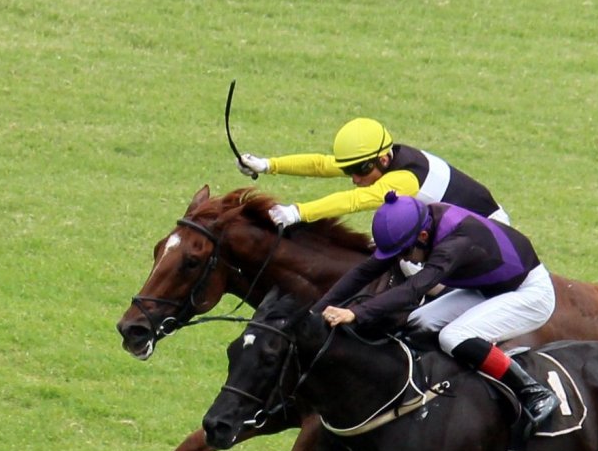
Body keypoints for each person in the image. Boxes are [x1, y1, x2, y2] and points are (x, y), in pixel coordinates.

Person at [313, 191, 558, 428]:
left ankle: (533, 392)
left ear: (422, 236)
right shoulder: (418, 226)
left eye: (405, 253)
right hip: (488, 288)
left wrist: (356, 313)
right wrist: (315, 310)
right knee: (418, 322)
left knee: (453, 337)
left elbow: (413, 289)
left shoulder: (455, 242)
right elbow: (365, 271)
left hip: (529, 294)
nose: (405, 260)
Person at [236, 117, 511, 228]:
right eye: (351, 170)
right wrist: (267, 165)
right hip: (453, 224)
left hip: (489, 232)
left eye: (361, 170)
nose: (356, 179)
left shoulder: (404, 180)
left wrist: (298, 212)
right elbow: (322, 164)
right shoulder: (380, 159)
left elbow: (354, 201)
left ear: (383, 159)